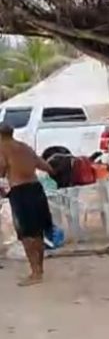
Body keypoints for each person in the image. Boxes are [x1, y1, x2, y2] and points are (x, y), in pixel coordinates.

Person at [0, 123, 55, 286]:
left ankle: (35, 272)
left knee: (26, 234)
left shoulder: (3, 148)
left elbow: (1, 169)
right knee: (38, 231)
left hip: (20, 191)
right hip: (36, 188)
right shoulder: (25, 147)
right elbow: (46, 167)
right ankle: (40, 270)